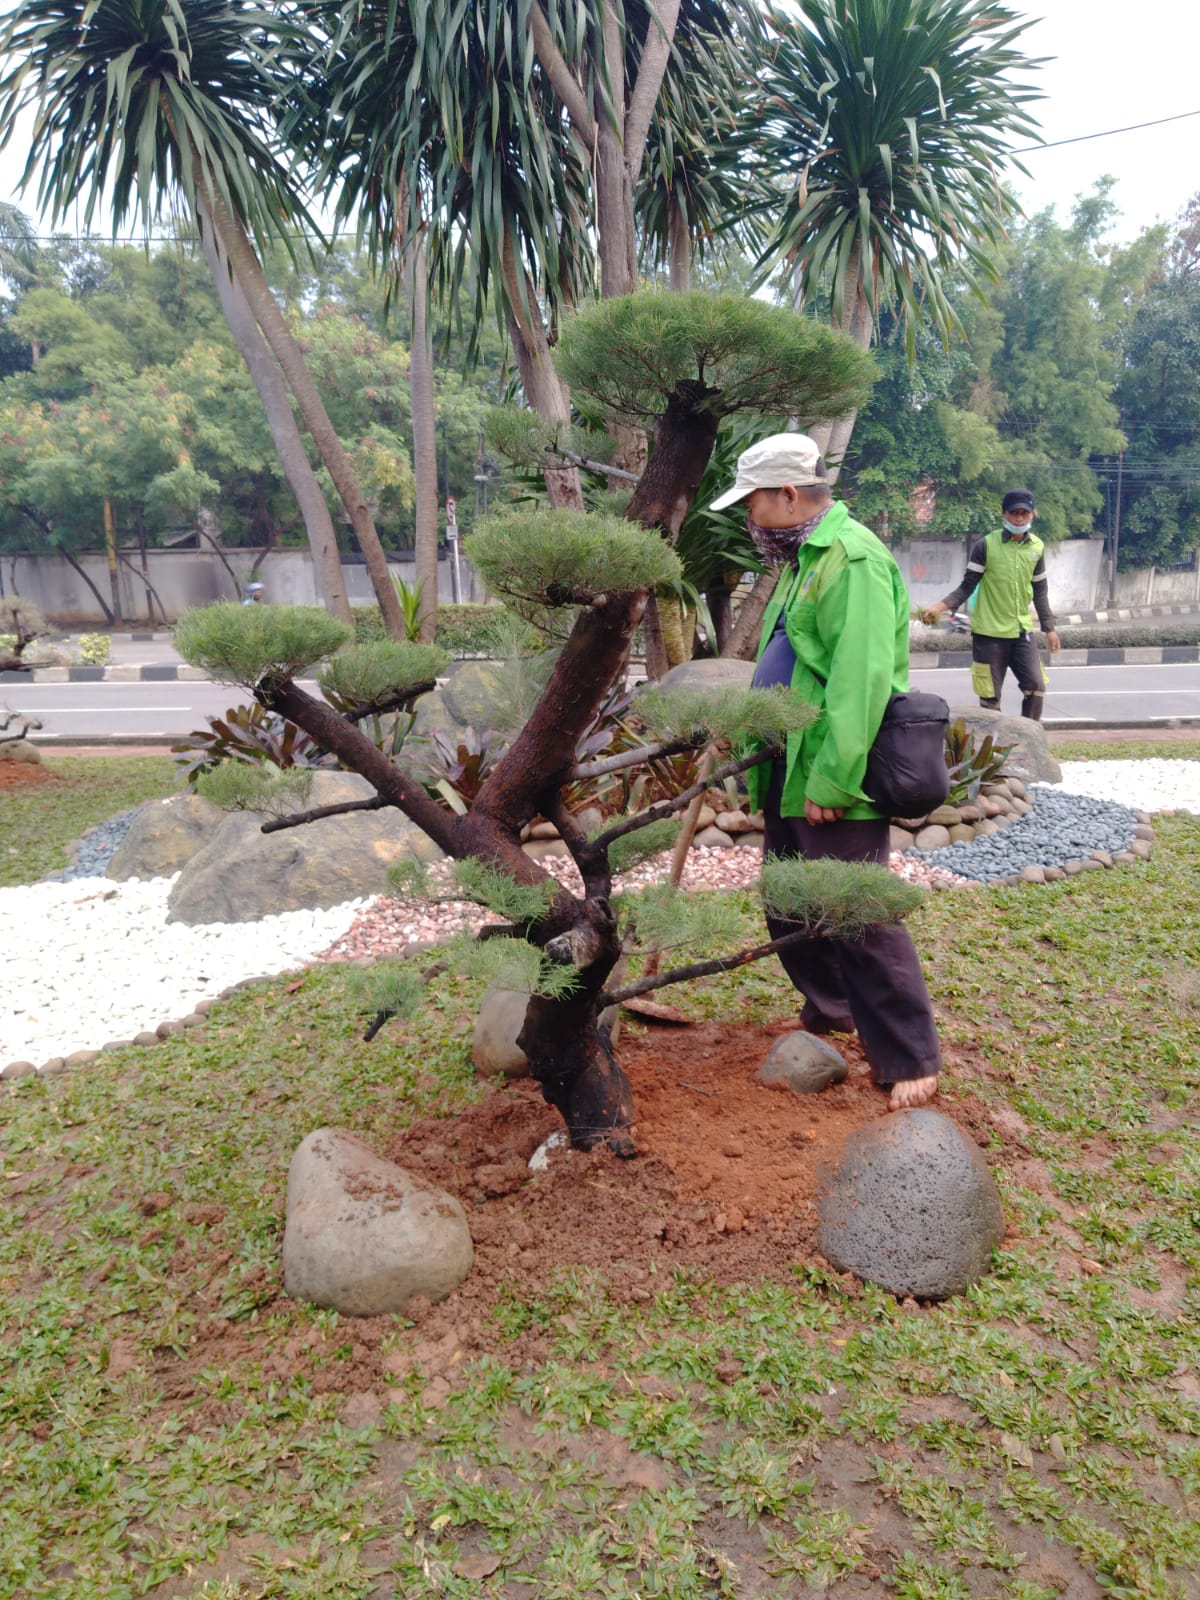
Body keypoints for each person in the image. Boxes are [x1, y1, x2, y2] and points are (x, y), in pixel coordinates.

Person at [710, 432, 941, 1110]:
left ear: (788, 494)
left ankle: (909, 1056)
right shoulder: (805, 560)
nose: (749, 518)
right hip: (791, 764)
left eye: (753, 503)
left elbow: (859, 680)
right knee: (788, 902)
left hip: (833, 770)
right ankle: (834, 1009)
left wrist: (834, 779)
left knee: (856, 912)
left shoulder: (853, 558)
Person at [921, 489, 1060, 719]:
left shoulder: (1037, 547)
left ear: (1032, 514)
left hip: (1021, 632)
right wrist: (939, 607)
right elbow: (966, 587)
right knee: (990, 700)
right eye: (1014, 513)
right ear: (1003, 514)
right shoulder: (985, 546)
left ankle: (1030, 744)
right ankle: (994, 750)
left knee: (1036, 686)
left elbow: (1040, 592)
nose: (1019, 518)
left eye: (1024, 513)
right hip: (989, 635)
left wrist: (1050, 628)